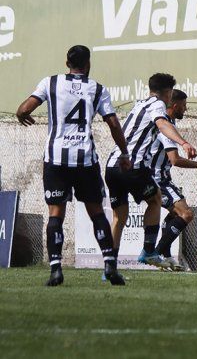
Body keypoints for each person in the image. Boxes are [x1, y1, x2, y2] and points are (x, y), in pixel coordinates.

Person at [15, 45, 129, 286]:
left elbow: (25, 108)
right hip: (85, 160)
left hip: (56, 159)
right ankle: (109, 264)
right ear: (87, 64)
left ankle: (56, 269)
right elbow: (114, 125)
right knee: (97, 212)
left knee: (55, 214)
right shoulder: (97, 89)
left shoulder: (51, 82)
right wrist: (125, 152)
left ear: (67, 63)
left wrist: (20, 114)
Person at [104, 73, 197, 268]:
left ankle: (109, 265)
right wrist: (183, 142)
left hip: (113, 165)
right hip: (133, 165)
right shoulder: (158, 105)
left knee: (119, 217)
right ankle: (148, 252)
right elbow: (162, 124)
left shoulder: (140, 104)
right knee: (155, 199)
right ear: (168, 93)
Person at [149, 89, 197, 271]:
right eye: (183, 106)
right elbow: (174, 159)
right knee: (186, 214)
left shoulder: (169, 122)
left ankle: (165, 255)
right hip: (158, 179)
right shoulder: (165, 125)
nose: (186, 109)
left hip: (162, 177)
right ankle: (157, 254)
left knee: (176, 214)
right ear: (174, 106)